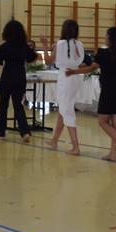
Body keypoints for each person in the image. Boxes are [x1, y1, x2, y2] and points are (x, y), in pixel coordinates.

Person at [68, 27, 116, 162]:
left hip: (108, 89)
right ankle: (112, 154)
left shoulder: (104, 53)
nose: (105, 38)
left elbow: (91, 68)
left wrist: (74, 71)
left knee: (103, 121)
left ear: (111, 38)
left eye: (106, 36)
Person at [0, 20, 37, 142]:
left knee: (3, 105)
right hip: (20, 77)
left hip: (7, 76)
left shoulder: (5, 46)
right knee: (18, 105)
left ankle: (1, 132)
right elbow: (32, 59)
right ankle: (25, 132)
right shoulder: (24, 46)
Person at [45, 20, 85, 155]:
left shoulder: (59, 44)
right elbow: (80, 61)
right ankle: (54, 141)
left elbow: (48, 61)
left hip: (65, 77)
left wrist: (45, 45)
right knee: (63, 109)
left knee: (67, 111)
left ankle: (76, 147)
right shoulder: (79, 44)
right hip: (75, 76)